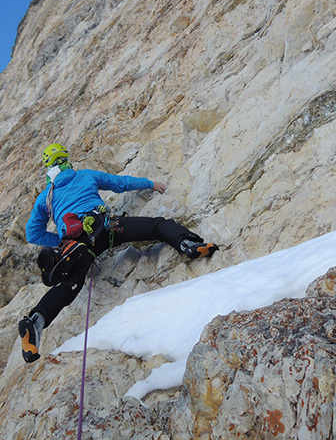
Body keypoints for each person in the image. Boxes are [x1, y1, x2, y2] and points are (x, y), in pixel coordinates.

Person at [19, 143, 217, 362]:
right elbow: (120, 183)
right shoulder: (85, 175)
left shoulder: (46, 196)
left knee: (70, 285)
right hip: (107, 228)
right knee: (157, 226)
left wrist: (60, 241)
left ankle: (36, 320)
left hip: (78, 244)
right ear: (67, 161)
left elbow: (32, 233)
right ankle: (188, 244)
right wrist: (151, 184)